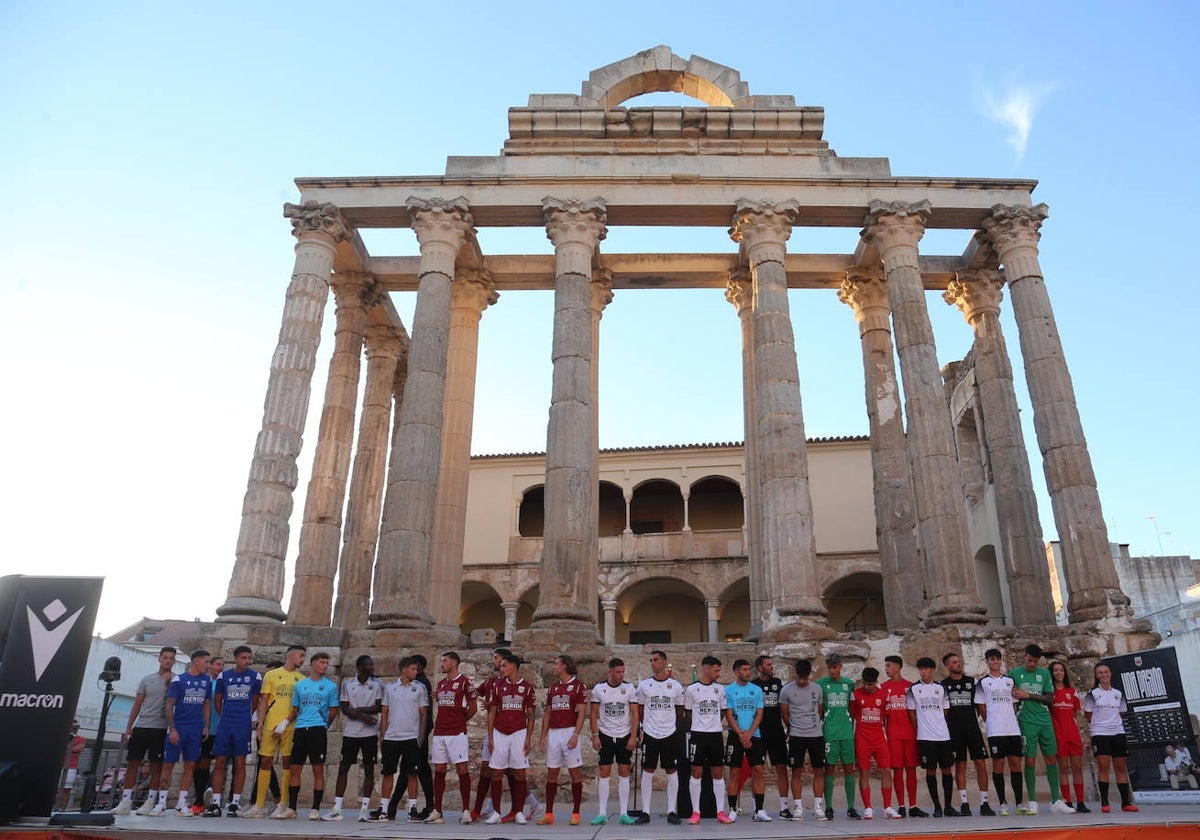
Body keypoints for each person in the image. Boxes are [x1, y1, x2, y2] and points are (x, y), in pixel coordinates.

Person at [110, 646, 177, 816]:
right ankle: (125, 801)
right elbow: (138, 703)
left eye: (171, 658)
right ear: (159, 659)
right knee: (133, 763)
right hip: (142, 725)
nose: (168, 660)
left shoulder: (177, 680)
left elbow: (175, 703)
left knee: (157, 765)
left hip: (162, 728)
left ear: (174, 661)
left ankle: (150, 801)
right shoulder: (147, 679)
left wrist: (169, 683)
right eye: (165, 657)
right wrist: (128, 727)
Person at [1010, 644, 1075, 815]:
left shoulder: (1044, 674)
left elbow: (1050, 699)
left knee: (1051, 759)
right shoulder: (1015, 674)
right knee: (1030, 760)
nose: (1032, 664)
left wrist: (1029, 695)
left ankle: (1056, 800)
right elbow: (1012, 699)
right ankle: (1032, 801)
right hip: (1026, 721)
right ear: (1025, 656)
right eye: (1030, 660)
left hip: (1045, 721)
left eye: (1035, 661)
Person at [275, 651, 339, 820]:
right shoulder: (301, 685)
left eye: (327, 662)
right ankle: (292, 807)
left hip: (318, 728)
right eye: (322, 662)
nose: (325, 665)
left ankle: (315, 808)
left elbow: (333, 710)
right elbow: (295, 709)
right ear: (313, 664)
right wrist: (283, 725)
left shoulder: (330, 686)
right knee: (295, 768)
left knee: (318, 768)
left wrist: (324, 724)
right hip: (301, 728)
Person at [246, 644, 305, 818]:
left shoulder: (301, 679)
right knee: (265, 762)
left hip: (290, 726)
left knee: (288, 763)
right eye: (301, 656)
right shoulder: (271, 675)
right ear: (291, 655)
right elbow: (263, 701)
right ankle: (258, 805)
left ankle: (283, 804)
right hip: (270, 724)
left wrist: (284, 724)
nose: (303, 659)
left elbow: (298, 707)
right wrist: (260, 725)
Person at [204, 645, 262, 818]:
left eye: (249, 658)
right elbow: (218, 701)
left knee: (240, 763)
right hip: (225, 725)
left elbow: (254, 701)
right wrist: (226, 716)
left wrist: (244, 717)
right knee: (220, 762)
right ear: (236, 658)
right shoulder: (224, 676)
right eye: (243, 658)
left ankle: (234, 804)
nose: (247, 661)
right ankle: (215, 803)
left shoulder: (255, 677)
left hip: (242, 725)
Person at [327, 654, 382, 822]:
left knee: (369, 769)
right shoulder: (348, 684)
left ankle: (364, 808)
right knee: (344, 768)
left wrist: (358, 711)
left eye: (372, 664)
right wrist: (362, 715)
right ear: (360, 666)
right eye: (368, 664)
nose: (372, 667)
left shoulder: (378, 684)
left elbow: (379, 706)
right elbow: (344, 708)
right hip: (351, 733)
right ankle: (337, 808)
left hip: (370, 733)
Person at [160, 649, 213, 815]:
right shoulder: (179, 680)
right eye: (206, 662)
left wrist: (206, 726)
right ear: (196, 661)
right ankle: (161, 802)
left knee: (190, 764)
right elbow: (169, 705)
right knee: (168, 765)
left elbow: (206, 704)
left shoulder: (207, 680)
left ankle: (181, 803)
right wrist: (173, 728)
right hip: (179, 728)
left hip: (195, 729)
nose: (208, 665)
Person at [635, 650, 685, 825]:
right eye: (651, 660)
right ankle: (646, 811)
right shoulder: (644, 686)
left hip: (669, 733)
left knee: (671, 769)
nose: (653, 663)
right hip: (650, 733)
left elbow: (680, 710)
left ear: (664, 662)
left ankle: (671, 810)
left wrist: (672, 726)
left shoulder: (676, 686)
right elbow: (640, 709)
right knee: (648, 770)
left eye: (656, 660)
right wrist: (643, 727)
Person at [484, 652, 535, 825]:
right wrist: (491, 737)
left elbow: (531, 715)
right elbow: (491, 712)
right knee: (497, 772)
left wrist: (528, 738)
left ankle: (519, 811)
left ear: (513, 666)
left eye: (505, 665)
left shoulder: (527, 687)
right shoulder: (497, 686)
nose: (502, 668)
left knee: (519, 772)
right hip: (500, 732)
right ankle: (497, 812)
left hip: (519, 733)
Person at [427, 651, 477, 825]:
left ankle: (465, 810)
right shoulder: (441, 684)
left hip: (457, 733)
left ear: (454, 663)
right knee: (439, 769)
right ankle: (437, 811)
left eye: (445, 661)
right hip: (440, 731)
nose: (442, 663)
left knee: (462, 769)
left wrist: (461, 721)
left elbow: (473, 707)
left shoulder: (464, 683)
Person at [590, 657, 640, 826]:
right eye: (618, 672)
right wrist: (595, 735)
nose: (621, 674)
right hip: (605, 733)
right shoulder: (599, 689)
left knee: (624, 771)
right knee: (604, 772)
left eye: (623, 671)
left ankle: (624, 813)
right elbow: (593, 713)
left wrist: (633, 736)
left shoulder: (629, 688)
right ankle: (602, 813)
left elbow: (635, 713)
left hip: (624, 734)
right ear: (610, 672)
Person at [537, 654, 587, 826]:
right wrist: (543, 736)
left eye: (556, 664)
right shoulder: (553, 688)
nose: (554, 667)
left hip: (569, 731)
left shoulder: (578, 686)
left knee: (574, 772)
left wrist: (576, 735)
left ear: (564, 666)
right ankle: (549, 814)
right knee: (552, 773)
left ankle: (576, 813)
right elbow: (548, 713)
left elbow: (581, 713)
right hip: (554, 733)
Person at [684, 654, 733, 824]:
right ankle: (696, 811)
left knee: (718, 773)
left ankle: (720, 811)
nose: (718, 674)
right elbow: (688, 712)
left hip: (715, 735)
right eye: (716, 670)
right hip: (697, 735)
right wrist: (700, 725)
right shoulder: (691, 689)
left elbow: (722, 711)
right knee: (696, 772)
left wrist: (713, 725)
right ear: (706, 669)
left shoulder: (720, 689)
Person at [975, 648, 1024, 816]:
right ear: (987, 661)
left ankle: (1019, 803)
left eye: (998, 659)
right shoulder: (982, 683)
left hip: (1012, 729)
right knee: (998, 765)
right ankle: (1003, 803)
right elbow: (981, 705)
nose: (995, 662)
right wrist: (992, 721)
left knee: (1016, 764)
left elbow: (1013, 703)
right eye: (992, 659)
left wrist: (1008, 717)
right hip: (995, 730)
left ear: (1001, 661)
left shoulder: (1010, 681)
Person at [941, 652, 990, 815]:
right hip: (954, 731)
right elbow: (943, 712)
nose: (958, 664)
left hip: (973, 729)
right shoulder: (943, 685)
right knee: (960, 765)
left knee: (981, 764)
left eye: (959, 661)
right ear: (947, 666)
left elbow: (981, 706)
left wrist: (989, 723)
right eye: (954, 662)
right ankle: (964, 803)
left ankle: (984, 803)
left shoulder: (973, 682)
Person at [1083, 663, 1137, 813]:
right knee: (1104, 768)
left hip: (1118, 732)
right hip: (1100, 733)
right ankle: (1105, 803)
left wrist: (1112, 723)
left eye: (1106, 672)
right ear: (1096, 676)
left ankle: (1126, 803)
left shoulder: (1118, 693)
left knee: (1120, 768)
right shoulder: (1092, 694)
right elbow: (1088, 715)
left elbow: (1121, 712)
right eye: (1100, 673)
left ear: (1110, 674)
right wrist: (1101, 723)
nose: (1104, 675)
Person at [379, 657, 428, 821]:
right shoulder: (390, 688)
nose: (416, 672)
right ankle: (383, 809)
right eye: (413, 669)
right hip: (392, 737)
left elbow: (424, 713)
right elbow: (384, 712)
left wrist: (420, 736)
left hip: (411, 737)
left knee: (412, 774)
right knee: (388, 773)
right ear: (404, 670)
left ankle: (412, 810)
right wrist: (383, 735)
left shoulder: (420, 688)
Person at [906, 656, 952, 818]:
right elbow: (911, 713)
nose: (923, 672)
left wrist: (938, 724)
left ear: (932, 670)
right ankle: (937, 807)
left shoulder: (941, 688)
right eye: (921, 669)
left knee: (946, 769)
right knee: (930, 771)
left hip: (943, 736)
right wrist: (921, 728)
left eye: (926, 669)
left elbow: (945, 710)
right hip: (925, 737)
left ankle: (948, 806)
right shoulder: (914, 689)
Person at [779, 658, 825, 820]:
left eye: (805, 678)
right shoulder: (786, 690)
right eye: (799, 677)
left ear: (809, 675)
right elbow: (784, 713)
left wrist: (812, 724)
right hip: (797, 735)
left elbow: (819, 710)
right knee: (796, 770)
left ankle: (818, 807)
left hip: (816, 734)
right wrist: (792, 727)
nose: (802, 681)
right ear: (795, 674)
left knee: (819, 770)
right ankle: (798, 807)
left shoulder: (817, 689)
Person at [724, 658, 769, 821]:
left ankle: (759, 810)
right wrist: (741, 735)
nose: (748, 672)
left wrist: (749, 733)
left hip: (754, 736)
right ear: (736, 672)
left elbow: (759, 714)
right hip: (736, 736)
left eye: (749, 669)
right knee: (734, 772)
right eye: (744, 669)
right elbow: (729, 715)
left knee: (758, 771)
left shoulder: (756, 690)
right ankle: (733, 809)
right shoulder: (729, 690)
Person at [469, 647, 510, 821]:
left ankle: (519, 808)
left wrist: (494, 706)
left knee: (512, 772)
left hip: (509, 732)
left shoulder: (514, 684)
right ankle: (477, 809)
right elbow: (473, 693)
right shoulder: (491, 683)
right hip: (491, 732)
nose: (493, 661)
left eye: (496, 658)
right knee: (486, 770)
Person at [818, 653, 859, 820]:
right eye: (830, 668)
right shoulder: (821, 684)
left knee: (850, 769)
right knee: (829, 769)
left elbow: (853, 708)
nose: (832, 671)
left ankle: (851, 808)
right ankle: (828, 807)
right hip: (829, 733)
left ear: (841, 666)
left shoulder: (849, 684)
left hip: (847, 733)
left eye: (835, 667)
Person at [851, 667, 895, 819]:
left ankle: (887, 807)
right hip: (862, 740)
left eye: (870, 684)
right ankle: (868, 807)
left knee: (886, 771)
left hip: (879, 739)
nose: (867, 687)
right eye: (864, 683)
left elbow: (886, 716)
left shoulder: (884, 695)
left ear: (876, 682)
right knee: (864, 772)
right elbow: (852, 715)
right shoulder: (855, 695)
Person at [752, 655, 791, 820]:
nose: (771, 667)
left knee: (781, 768)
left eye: (771, 664)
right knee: (757, 770)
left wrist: (788, 725)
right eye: (768, 664)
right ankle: (757, 809)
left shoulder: (778, 684)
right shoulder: (753, 685)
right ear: (760, 668)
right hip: (759, 733)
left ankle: (784, 808)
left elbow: (783, 707)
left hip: (776, 732)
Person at [1049, 660, 1089, 811]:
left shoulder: (1072, 692)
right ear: (1051, 673)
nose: (1059, 673)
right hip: (1059, 735)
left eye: (1061, 670)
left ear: (1064, 673)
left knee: (1077, 768)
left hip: (1073, 734)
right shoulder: (1050, 693)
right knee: (1063, 768)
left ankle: (1080, 802)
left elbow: (1075, 713)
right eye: (1055, 670)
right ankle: (1067, 801)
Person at [881, 655, 918, 817]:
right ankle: (901, 805)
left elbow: (916, 713)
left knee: (911, 770)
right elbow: (882, 715)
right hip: (893, 735)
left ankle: (914, 805)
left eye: (888, 666)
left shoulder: (910, 687)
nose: (886, 669)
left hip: (910, 734)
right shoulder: (883, 688)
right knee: (897, 770)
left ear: (897, 666)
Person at [192, 654, 224, 814]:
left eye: (222, 665)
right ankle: (198, 798)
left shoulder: (224, 683)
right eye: (217, 664)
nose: (220, 667)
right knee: (197, 763)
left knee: (214, 763)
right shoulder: (204, 682)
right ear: (210, 665)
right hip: (201, 729)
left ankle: (207, 793)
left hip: (217, 729)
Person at [410, 654, 437, 821]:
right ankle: (392, 806)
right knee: (412, 768)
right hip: (411, 731)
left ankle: (430, 805)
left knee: (419, 768)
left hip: (419, 732)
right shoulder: (415, 683)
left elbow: (425, 712)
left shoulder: (422, 684)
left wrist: (422, 732)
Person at [58, 721, 86, 811]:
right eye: (73, 727)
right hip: (59, 765)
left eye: (76, 727)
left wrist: (67, 747)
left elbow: (78, 748)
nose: (75, 729)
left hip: (71, 766)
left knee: (66, 789)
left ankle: (62, 808)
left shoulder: (80, 739)